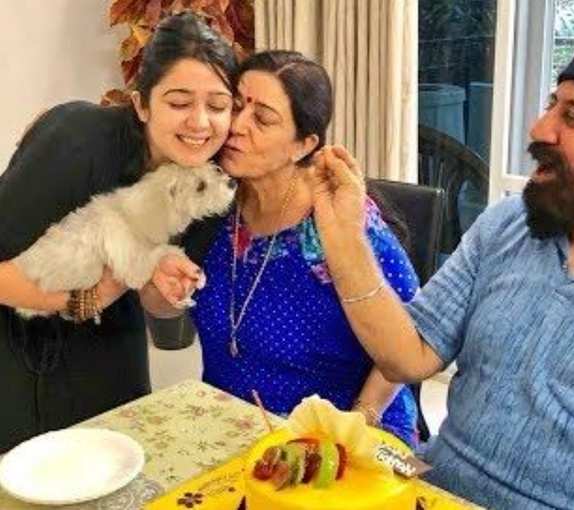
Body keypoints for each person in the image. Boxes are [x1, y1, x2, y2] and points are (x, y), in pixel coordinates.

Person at [309, 12, 574, 509]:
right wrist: (345, 237)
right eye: (553, 104)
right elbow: (407, 355)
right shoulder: (508, 224)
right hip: (436, 492)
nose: (540, 127)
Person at [147, 50, 420, 446]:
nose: (237, 126)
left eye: (262, 119)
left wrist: (360, 420)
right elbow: (160, 306)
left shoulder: (339, 217)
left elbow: (413, 336)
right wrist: (162, 292)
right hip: (234, 426)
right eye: (236, 107)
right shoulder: (210, 202)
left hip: (339, 437)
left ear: (303, 144)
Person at [0, 12, 236, 452]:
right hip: (15, 334)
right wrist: (83, 299)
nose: (200, 123)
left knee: (121, 464)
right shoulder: (76, 139)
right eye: (179, 103)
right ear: (142, 104)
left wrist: (167, 293)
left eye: (218, 106)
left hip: (109, 342)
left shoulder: (212, 187)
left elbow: (157, 302)